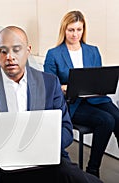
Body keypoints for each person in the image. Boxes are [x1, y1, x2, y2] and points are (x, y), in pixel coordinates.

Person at [0, 26, 103, 183]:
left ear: (28, 50)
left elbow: (66, 129)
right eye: (4, 51)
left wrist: (42, 147)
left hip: (44, 161)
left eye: (17, 50)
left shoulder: (49, 83)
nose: (10, 57)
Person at [44, 10, 119, 178]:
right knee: (106, 120)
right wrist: (64, 87)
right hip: (72, 103)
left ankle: (93, 168)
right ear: (64, 29)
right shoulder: (54, 54)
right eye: (71, 30)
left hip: (95, 98)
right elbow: (50, 85)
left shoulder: (93, 51)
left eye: (79, 29)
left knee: (118, 118)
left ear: (83, 30)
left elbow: (97, 78)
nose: (75, 34)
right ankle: (93, 169)